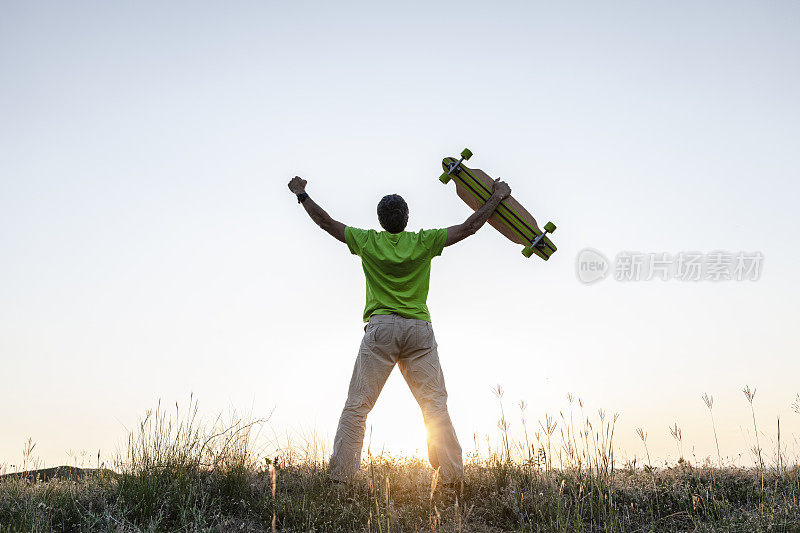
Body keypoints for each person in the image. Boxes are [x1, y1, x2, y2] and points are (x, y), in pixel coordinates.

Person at [287, 174, 511, 486]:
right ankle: (451, 478)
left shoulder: (367, 241)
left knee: (358, 405)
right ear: (407, 219)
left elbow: (326, 222)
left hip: (381, 329)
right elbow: (469, 227)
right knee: (435, 405)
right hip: (418, 330)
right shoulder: (424, 240)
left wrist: (302, 195)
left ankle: (341, 480)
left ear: (380, 221)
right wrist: (497, 198)